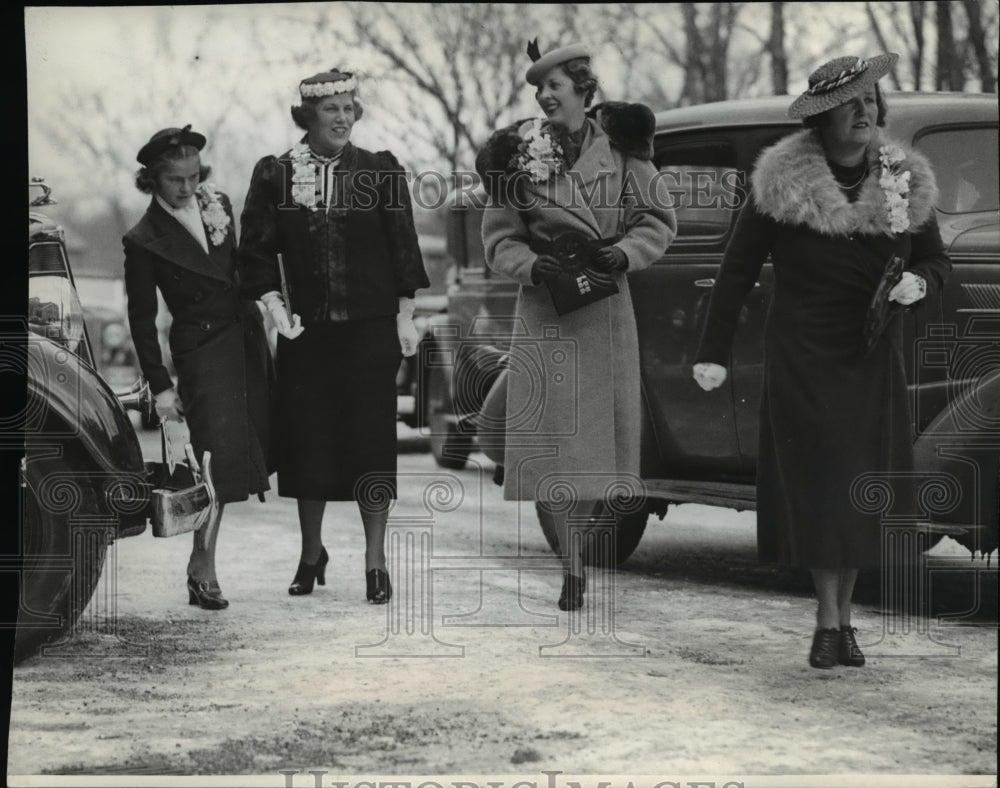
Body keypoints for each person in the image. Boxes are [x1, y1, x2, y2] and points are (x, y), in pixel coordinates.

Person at [692, 54, 951, 668]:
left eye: (871, 102)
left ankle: (843, 622)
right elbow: (736, 270)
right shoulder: (782, 183)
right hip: (803, 356)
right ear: (823, 119)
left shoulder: (903, 178)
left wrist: (920, 283)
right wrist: (712, 352)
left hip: (871, 354)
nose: (866, 114)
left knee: (861, 492)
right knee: (820, 489)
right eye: (851, 105)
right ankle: (826, 620)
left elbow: (936, 260)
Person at [476, 42, 676, 610]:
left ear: (584, 91)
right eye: (538, 92)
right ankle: (571, 566)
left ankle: (577, 556)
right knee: (557, 450)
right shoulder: (516, 155)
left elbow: (658, 220)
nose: (544, 98)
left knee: (595, 453)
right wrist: (530, 265)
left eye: (554, 88)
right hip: (547, 315)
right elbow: (499, 239)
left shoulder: (624, 151)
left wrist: (626, 253)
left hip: (606, 312)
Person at [239, 68, 429, 604]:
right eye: (331, 110)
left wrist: (404, 315)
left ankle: (375, 560)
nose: (343, 118)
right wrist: (275, 306)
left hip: (370, 333)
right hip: (306, 334)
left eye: (349, 108)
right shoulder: (275, 174)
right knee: (309, 444)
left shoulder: (380, 171)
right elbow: (255, 251)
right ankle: (310, 553)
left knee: (371, 444)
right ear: (308, 116)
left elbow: (403, 247)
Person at [124, 125, 273, 610]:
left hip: (246, 338)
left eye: (193, 177)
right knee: (215, 458)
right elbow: (142, 321)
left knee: (249, 448)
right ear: (152, 180)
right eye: (174, 180)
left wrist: (271, 301)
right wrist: (161, 387)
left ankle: (203, 562)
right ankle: (202, 565)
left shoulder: (220, 205)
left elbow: (244, 268)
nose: (187, 188)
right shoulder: (143, 239)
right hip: (201, 349)